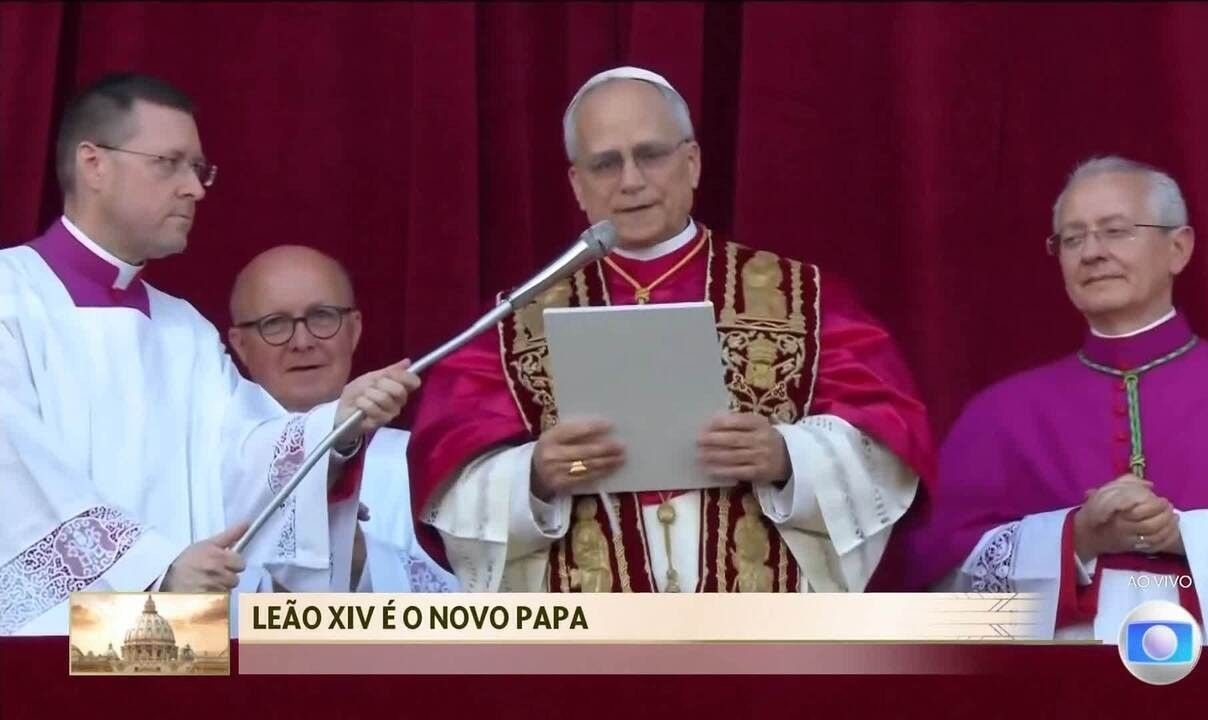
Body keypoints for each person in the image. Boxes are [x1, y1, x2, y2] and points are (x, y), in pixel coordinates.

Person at [408, 66, 933, 593]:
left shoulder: (803, 298)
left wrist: (787, 458)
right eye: (606, 163)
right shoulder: (513, 321)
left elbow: (888, 443)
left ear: (692, 162)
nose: (631, 181)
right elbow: (451, 476)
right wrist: (535, 477)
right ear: (577, 185)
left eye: (651, 155)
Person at [0, 72, 419, 635]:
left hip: (184, 637)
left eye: (198, 169)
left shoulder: (184, 330)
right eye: (168, 164)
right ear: (93, 164)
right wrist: (156, 569)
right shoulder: (11, 299)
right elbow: (19, 475)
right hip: (57, 643)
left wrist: (334, 426)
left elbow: (240, 458)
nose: (194, 189)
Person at [899, 156, 1208, 645]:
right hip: (1054, 679)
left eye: (1115, 231)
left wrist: (1187, 534)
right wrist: (1075, 537)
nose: (1092, 252)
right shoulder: (1000, 414)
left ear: (1178, 248)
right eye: (1072, 239)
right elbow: (938, 575)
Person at [227, 245, 457, 592]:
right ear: (240, 345)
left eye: (322, 316)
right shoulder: (208, 467)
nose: (302, 342)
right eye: (275, 323)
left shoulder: (421, 461)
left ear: (354, 330)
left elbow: (476, 606)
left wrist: (360, 559)